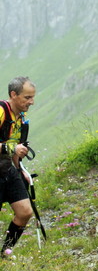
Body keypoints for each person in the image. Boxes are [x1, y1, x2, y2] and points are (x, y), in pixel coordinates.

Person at [0, 76, 36, 256]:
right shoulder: (0, 111)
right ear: (13, 95)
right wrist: (11, 147)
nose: (32, 102)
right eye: (27, 98)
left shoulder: (22, 117)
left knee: (25, 212)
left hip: (8, 169)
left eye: (32, 97)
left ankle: (4, 253)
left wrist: (21, 170)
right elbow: (11, 146)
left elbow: (16, 148)